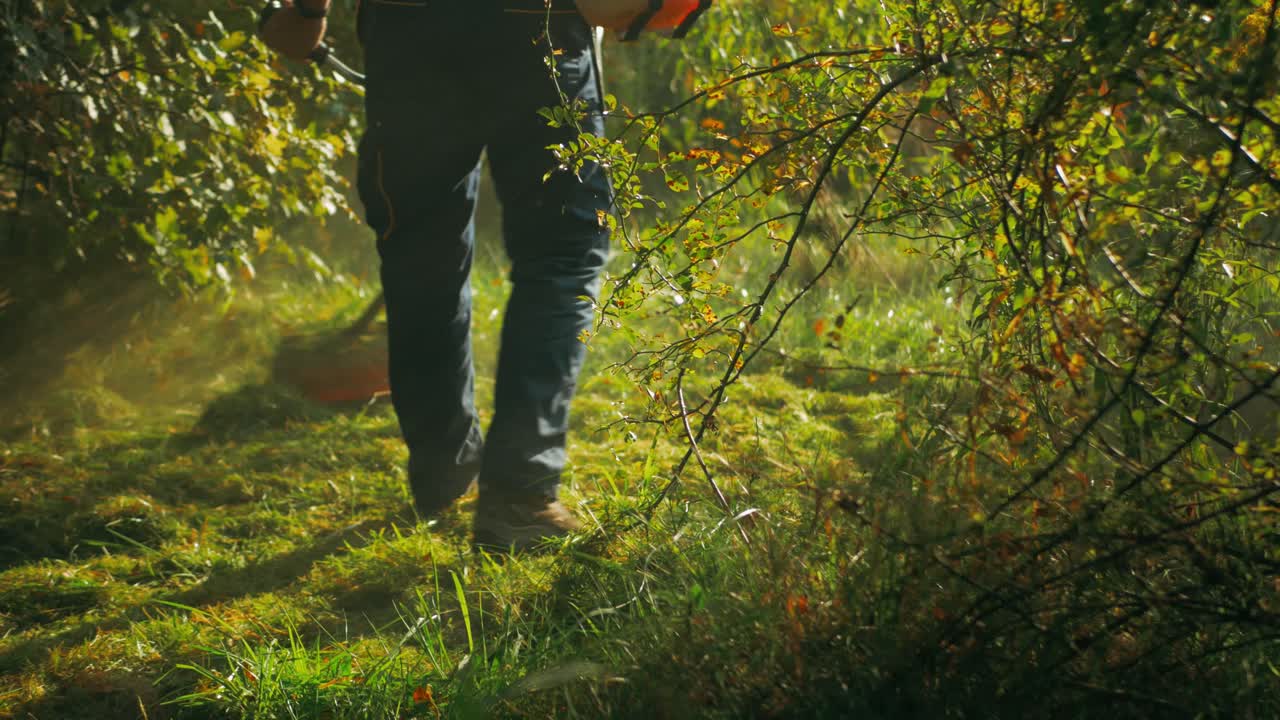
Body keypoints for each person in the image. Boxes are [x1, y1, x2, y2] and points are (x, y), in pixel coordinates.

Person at [261, 0, 611, 551]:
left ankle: (444, 473)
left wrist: (306, 12)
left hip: (408, 29)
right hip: (535, 24)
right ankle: (518, 495)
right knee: (562, 253)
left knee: (421, 252)